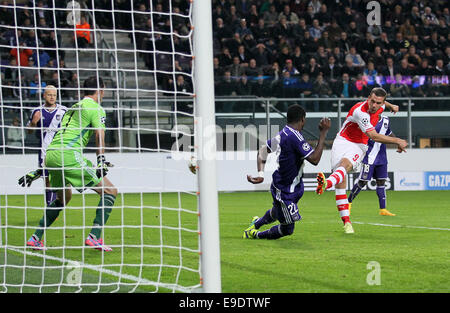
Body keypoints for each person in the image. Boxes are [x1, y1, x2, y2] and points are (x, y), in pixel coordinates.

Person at [27, 76, 117, 252]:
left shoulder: (73, 108)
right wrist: (101, 161)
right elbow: (100, 135)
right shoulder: (96, 108)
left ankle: (35, 238)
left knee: (63, 197)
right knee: (110, 191)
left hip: (51, 154)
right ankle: (94, 237)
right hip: (68, 155)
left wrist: (40, 170)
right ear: (100, 90)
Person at [315, 87, 407, 234]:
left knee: (345, 166)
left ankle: (326, 183)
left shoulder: (381, 106)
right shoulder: (361, 112)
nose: (374, 105)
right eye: (372, 101)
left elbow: (384, 104)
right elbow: (374, 136)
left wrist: (392, 106)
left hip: (359, 146)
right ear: (368, 98)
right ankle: (346, 221)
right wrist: (397, 141)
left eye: (378, 103)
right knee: (341, 183)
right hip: (342, 140)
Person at [243, 104, 331, 240]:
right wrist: (323, 133)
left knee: (277, 211)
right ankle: (254, 235)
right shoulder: (294, 137)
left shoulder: (284, 133)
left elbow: (262, 151)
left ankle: (257, 223)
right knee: (288, 229)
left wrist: (261, 174)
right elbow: (314, 159)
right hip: (284, 190)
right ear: (302, 119)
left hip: (294, 186)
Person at [19, 85, 67, 207]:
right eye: (49, 95)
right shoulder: (37, 111)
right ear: (44, 96)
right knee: (47, 179)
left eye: (54, 95)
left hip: (61, 150)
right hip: (44, 150)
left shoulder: (64, 111)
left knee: (61, 179)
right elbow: (29, 131)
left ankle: (59, 203)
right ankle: (50, 206)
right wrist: (34, 122)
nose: (52, 97)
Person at [348, 115, 396, 216]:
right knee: (363, 182)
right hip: (369, 157)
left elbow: (389, 132)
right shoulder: (365, 120)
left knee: (381, 182)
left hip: (382, 157)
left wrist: (397, 142)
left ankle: (383, 209)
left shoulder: (386, 119)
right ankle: (348, 203)